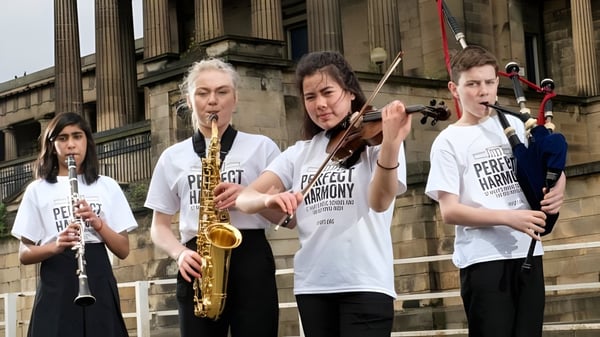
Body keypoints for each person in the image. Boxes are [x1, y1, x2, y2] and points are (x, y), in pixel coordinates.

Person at [235, 51, 412, 337]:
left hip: (365, 282)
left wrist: (391, 143)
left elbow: (380, 202)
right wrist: (269, 200)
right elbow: (244, 199)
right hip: (314, 285)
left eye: (328, 92)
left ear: (350, 92)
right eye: (310, 97)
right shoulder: (299, 153)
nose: (320, 104)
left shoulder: (375, 142)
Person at [424, 45, 566, 337]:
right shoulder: (447, 141)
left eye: (489, 82)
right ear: (455, 88)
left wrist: (559, 184)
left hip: (527, 251)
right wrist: (509, 218)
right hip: (482, 260)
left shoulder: (516, 124)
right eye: (473, 84)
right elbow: (449, 211)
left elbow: (543, 169)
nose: (483, 91)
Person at [144, 58, 281, 337]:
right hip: (197, 260)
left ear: (235, 98)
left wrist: (248, 195)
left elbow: (283, 218)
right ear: (189, 100)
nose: (212, 101)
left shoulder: (262, 147)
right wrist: (180, 253)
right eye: (203, 93)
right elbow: (158, 227)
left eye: (222, 92)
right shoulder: (172, 157)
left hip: (251, 256)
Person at [11, 112, 138, 337]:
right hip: (56, 278)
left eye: (77, 136)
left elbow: (123, 249)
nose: (70, 145)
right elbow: (24, 253)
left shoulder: (107, 186)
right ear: (52, 145)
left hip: (98, 275)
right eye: (62, 138)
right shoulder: (37, 190)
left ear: (87, 141)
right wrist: (56, 245)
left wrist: (97, 223)